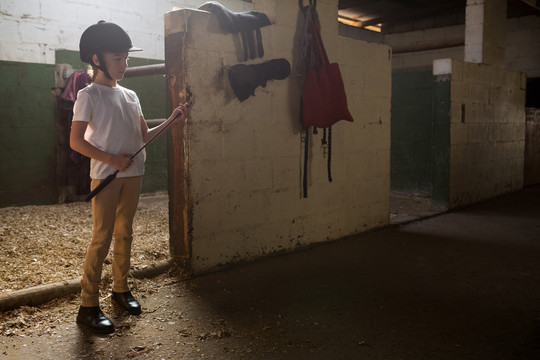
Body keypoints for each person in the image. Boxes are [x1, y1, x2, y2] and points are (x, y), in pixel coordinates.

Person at [70, 21, 192, 334]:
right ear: (97, 60)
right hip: (107, 175)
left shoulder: (131, 95)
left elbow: (144, 136)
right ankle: (88, 305)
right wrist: (111, 159)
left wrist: (173, 119)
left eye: (126, 58)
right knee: (102, 237)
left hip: (134, 173)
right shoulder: (89, 95)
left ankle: (121, 289)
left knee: (125, 232)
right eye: (118, 58)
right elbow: (76, 141)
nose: (124, 64)